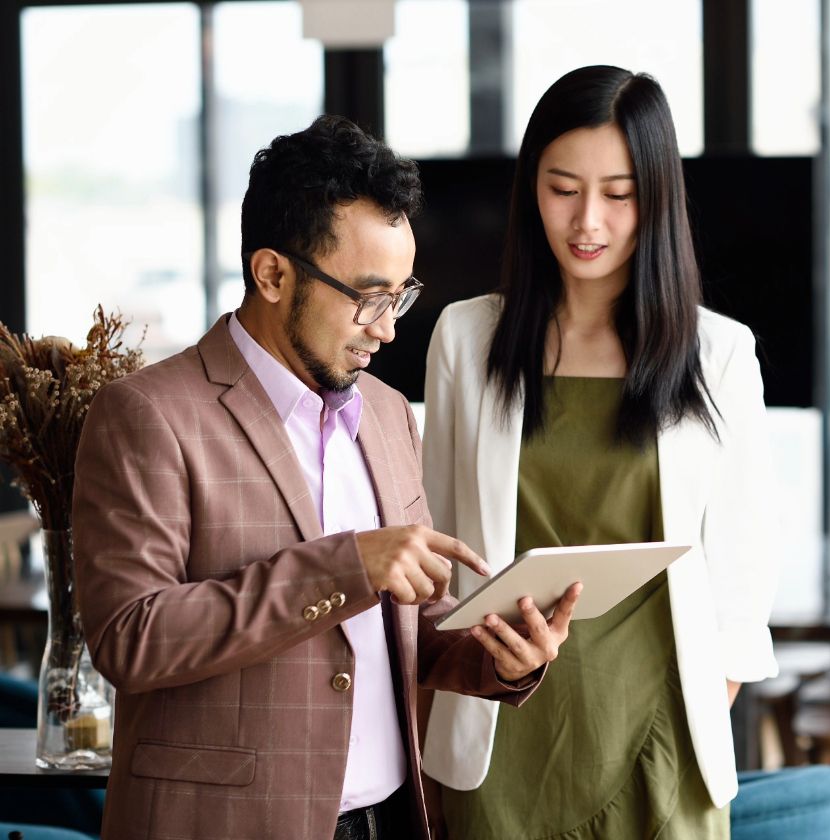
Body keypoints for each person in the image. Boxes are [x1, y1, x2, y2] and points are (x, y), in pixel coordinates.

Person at [72, 115, 580, 840]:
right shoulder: (147, 414)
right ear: (272, 274)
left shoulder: (388, 412)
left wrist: (500, 657)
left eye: (400, 296)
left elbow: (408, 623)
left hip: (389, 819)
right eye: (367, 297)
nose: (388, 327)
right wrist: (346, 567)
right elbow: (131, 637)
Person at [420, 65, 780, 839]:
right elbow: (439, 561)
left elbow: (741, 581)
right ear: (531, 190)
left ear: (658, 199)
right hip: (499, 734)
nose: (588, 221)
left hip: (661, 737)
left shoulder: (718, 353)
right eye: (563, 189)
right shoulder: (466, 338)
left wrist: (690, 713)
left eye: (619, 194)